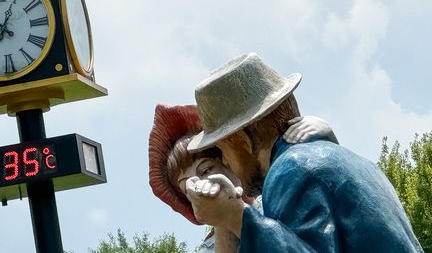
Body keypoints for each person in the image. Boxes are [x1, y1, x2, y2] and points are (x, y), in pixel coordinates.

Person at [184, 52, 423, 252]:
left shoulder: (292, 170)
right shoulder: (361, 164)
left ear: (244, 141)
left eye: (224, 149)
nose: (225, 160)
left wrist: (237, 218)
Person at [148, 104, 338, 252]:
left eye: (205, 170)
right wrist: (222, 219)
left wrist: (325, 144)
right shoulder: (208, 248)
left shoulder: (278, 195)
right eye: (187, 187)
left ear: (228, 159)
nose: (201, 183)